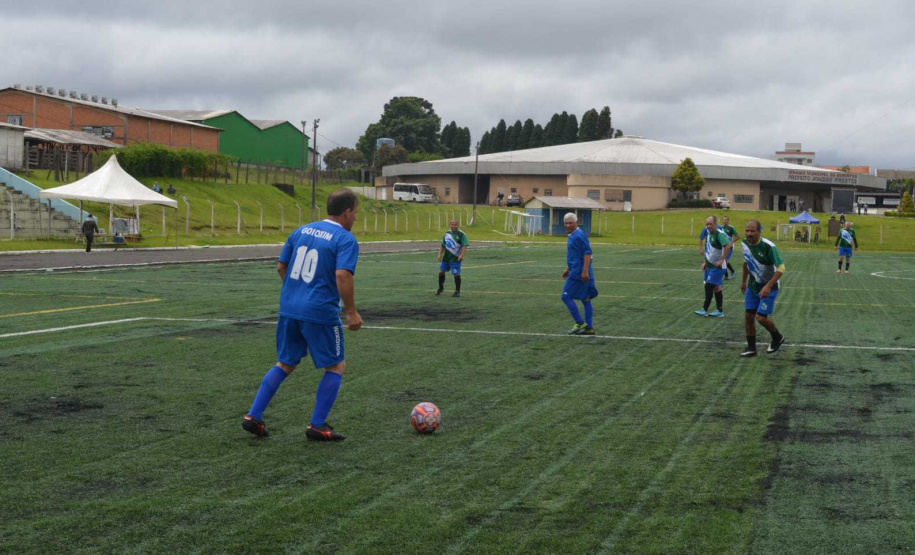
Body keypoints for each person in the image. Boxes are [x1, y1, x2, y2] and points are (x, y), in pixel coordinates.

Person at [242, 189, 362, 441]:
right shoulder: (345, 238)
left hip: (289, 308)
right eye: (355, 213)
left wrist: (297, 292)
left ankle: (253, 415)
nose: (355, 219)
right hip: (319, 311)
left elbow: (280, 267)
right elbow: (342, 274)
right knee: (336, 365)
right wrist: (351, 312)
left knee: (285, 363)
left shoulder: (301, 231)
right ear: (347, 211)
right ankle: (317, 425)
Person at [740, 220, 786, 357]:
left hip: (769, 287)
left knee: (760, 318)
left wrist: (768, 286)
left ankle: (777, 337)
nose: (749, 233)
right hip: (753, 286)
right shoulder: (744, 243)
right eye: (747, 230)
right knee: (748, 316)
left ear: (759, 232)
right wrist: (743, 281)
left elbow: (781, 268)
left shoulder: (768, 246)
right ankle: (751, 348)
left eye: (752, 231)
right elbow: (746, 262)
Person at [561, 212, 598, 335]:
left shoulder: (578, 235)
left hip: (579, 273)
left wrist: (585, 270)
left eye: (570, 223)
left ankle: (580, 322)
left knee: (566, 296)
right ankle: (589, 328)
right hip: (579, 270)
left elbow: (587, 253)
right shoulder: (573, 235)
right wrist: (568, 268)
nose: (568, 225)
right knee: (586, 299)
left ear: (576, 223)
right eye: (566, 223)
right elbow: (576, 254)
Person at [695, 216, 731, 317]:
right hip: (711, 265)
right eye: (707, 224)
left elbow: (728, 245)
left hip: (718, 267)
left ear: (716, 224)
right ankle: (720, 311)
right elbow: (710, 250)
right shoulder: (709, 233)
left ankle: (705, 309)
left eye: (710, 224)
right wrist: (706, 262)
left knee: (708, 285)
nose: (708, 226)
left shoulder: (719, 234)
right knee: (717, 288)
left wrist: (722, 259)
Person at [436, 219, 469, 297]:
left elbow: (465, 245)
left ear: (458, 225)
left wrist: (462, 255)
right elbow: (443, 245)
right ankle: (441, 288)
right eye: (452, 224)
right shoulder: (447, 234)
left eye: (455, 224)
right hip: (446, 258)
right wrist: (439, 254)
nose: (453, 226)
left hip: (455, 258)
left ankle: (457, 291)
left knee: (456, 274)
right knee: (441, 272)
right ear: (450, 225)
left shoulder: (461, 234)